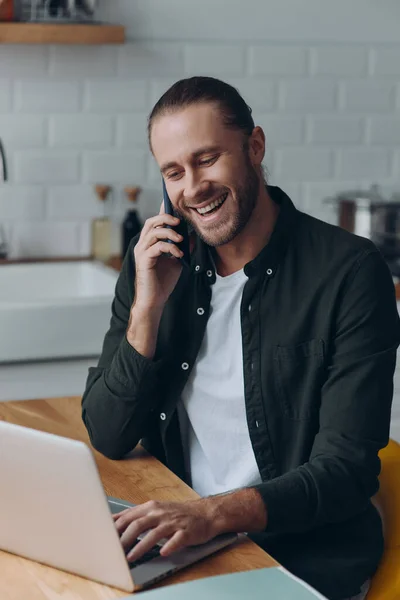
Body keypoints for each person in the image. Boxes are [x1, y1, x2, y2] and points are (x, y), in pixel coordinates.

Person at [81, 76, 400, 600]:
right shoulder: (157, 264)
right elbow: (109, 433)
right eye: (174, 172)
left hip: (300, 556)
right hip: (190, 537)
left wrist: (212, 514)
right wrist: (147, 310)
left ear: (255, 146)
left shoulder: (349, 273)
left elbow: (346, 472)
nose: (193, 188)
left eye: (207, 159)